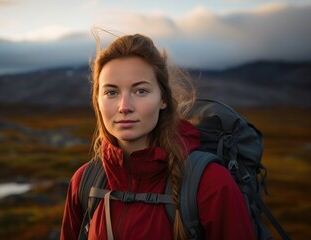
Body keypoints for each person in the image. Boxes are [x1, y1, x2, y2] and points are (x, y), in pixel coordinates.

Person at [60, 32, 255, 240]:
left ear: (163, 99)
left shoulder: (211, 184)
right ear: (97, 100)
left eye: (140, 91)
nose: (124, 107)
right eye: (111, 92)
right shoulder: (84, 183)